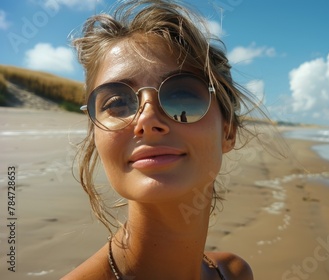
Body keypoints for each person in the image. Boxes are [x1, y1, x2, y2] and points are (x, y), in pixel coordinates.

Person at [64, 0, 255, 279]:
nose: (147, 120)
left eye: (182, 95)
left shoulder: (233, 273)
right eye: (117, 102)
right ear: (95, 134)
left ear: (228, 132)